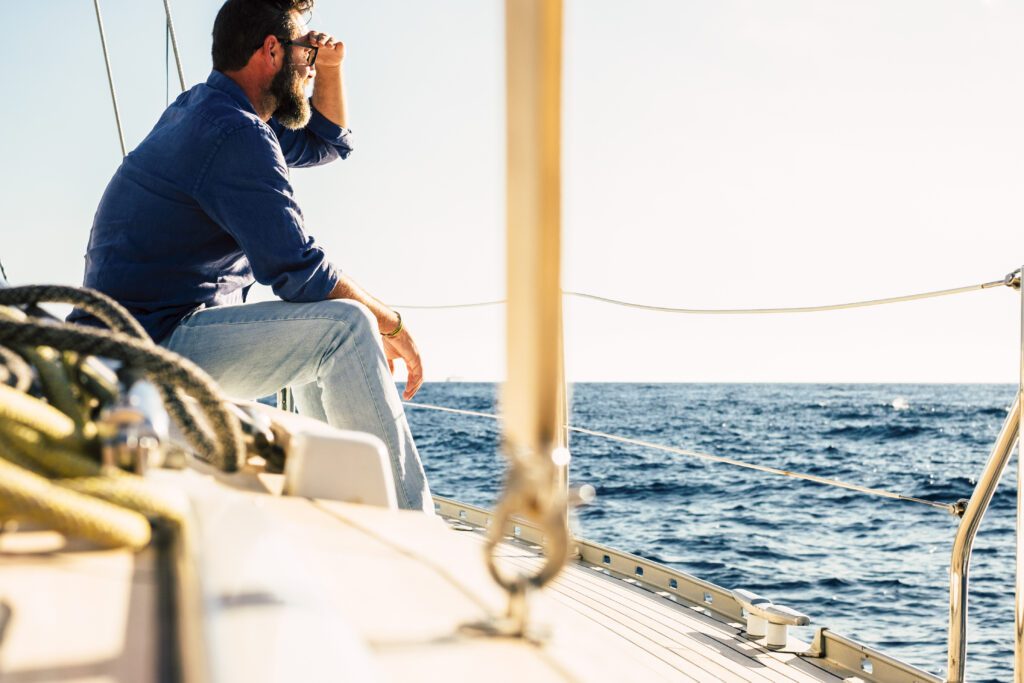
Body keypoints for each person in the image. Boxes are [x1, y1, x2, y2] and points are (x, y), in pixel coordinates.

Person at [69, 0, 433, 512]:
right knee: (345, 326)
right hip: (148, 347)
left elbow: (329, 143)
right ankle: (413, 522)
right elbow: (300, 272)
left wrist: (329, 68)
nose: (310, 60)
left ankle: (336, 502)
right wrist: (391, 324)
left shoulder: (211, 110)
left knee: (322, 320)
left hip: (131, 336)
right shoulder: (235, 133)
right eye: (306, 48)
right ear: (270, 51)